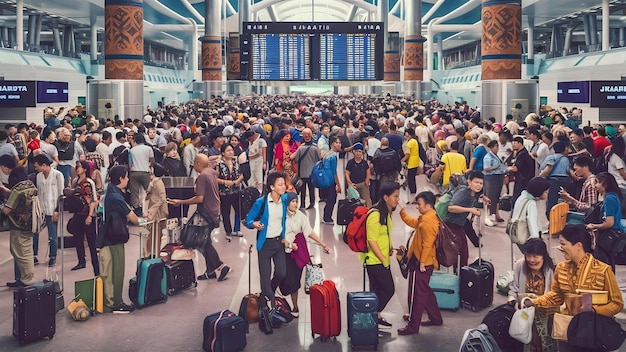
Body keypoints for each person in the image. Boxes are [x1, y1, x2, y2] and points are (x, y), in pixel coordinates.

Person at [530, 224, 624, 352]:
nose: (560, 248)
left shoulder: (603, 270)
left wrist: (595, 310)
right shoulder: (561, 268)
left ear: (578, 245)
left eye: (563, 244)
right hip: (567, 331)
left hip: (593, 333)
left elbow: (617, 303)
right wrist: (533, 302)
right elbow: (556, 296)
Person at [167, 154, 231, 282]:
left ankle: (220, 265)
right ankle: (210, 270)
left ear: (197, 163)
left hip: (205, 212)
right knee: (203, 241)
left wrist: (180, 201)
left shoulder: (202, 176)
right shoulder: (211, 172)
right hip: (214, 211)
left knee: (201, 241)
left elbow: (199, 198)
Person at [397, 191, 443, 336]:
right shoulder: (427, 216)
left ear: (428, 205)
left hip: (422, 262)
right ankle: (436, 318)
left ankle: (413, 325)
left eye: (419, 204)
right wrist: (403, 212)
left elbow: (428, 244)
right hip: (421, 260)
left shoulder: (429, 222)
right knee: (424, 291)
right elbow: (414, 223)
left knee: (417, 294)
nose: (417, 207)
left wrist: (422, 262)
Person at [279, 192, 330, 318]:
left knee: (295, 280)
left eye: (296, 201)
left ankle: (295, 306)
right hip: (284, 252)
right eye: (292, 201)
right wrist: (289, 244)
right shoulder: (280, 217)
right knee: (283, 277)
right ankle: (278, 294)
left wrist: (322, 243)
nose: (295, 204)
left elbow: (309, 232)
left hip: (298, 254)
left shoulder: (300, 216)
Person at [245, 171, 288, 311]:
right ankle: (266, 306)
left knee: (281, 272)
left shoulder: (285, 201)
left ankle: (269, 291)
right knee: (265, 276)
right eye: (280, 184)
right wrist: (254, 224)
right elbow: (249, 219)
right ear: (272, 187)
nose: (283, 187)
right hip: (265, 244)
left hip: (278, 243)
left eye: (284, 184)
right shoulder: (262, 202)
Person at [360, 181, 401, 329]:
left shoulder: (386, 213)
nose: (398, 199)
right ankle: (371, 313)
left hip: (382, 258)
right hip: (374, 260)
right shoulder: (375, 214)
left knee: (377, 290)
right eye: (395, 196)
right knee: (389, 289)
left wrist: (390, 248)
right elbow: (372, 240)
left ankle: (375, 316)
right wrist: (383, 259)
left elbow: (385, 234)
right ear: (385, 197)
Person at [508, 238, 557, 352]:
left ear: (543, 256)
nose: (531, 260)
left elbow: (556, 295)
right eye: (528, 256)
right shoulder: (520, 265)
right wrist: (514, 301)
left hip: (546, 316)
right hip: (525, 315)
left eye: (535, 256)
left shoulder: (553, 269)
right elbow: (513, 288)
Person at [443, 171, 490, 267]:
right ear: (469, 182)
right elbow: (451, 208)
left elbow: (477, 195)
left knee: (462, 251)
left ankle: (460, 272)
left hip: (460, 223)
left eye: (481, 183)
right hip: (450, 224)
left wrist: (483, 197)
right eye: (476, 182)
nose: (479, 185)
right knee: (462, 252)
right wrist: (470, 210)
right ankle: (460, 273)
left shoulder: (474, 192)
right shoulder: (464, 192)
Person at [2, 166, 37, 287]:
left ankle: (28, 280)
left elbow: (6, 210)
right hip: (31, 224)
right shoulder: (30, 185)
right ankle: (25, 278)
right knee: (26, 251)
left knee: (22, 253)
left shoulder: (17, 190)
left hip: (18, 226)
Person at [586, 172, 625, 271]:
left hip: (609, 235)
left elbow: (609, 222)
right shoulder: (614, 196)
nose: (595, 186)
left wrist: (594, 226)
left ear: (605, 184)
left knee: (603, 263)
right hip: (613, 235)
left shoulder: (609, 199)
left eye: (598, 183)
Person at [67, 160, 99, 275]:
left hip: (87, 214)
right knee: (78, 238)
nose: (77, 169)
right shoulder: (76, 181)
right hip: (78, 213)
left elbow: (91, 200)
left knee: (91, 241)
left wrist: (90, 216)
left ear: (85, 169)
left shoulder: (87, 182)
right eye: (77, 167)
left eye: (79, 167)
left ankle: (95, 264)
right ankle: (81, 260)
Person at [33, 154, 64, 267]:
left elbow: (61, 194)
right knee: (35, 231)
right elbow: (39, 192)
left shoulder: (57, 175)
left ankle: (52, 256)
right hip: (41, 210)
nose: (36, 168)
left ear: (44, 165)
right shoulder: (39, 176)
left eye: (37, 166)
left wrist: (57, 210)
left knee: (52, 234)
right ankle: (34, 254)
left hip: (53, 209)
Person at [289, 128, 320, 209]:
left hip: (302, 172)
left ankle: (302, 204)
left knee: (302, 190)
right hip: (312, 172)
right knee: (311, 189)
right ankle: (312, 203)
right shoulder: (315, 147)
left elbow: (295, 159)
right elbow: (319, 159)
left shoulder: (300, 148)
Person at [218, 143, 244, 240]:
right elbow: (215, 178)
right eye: (228, 150)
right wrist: (226, 182)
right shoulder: (219, 164)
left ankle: (237, 229)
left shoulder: (236, 162)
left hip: (236, 190)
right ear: (223, 153)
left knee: (238, 210)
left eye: (232, 150)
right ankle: (228, 231)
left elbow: (242, 174)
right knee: (226, 212)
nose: (230, 152)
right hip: (224, 192)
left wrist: (238, 180)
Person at [538, 141, 571, 217]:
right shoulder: (566, 159)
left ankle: (551, 218)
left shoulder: (550, 157)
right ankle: (561, 217)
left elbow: (542, 169)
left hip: (553, 181)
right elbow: (568, 170)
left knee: (552, 201)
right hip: (565, 181)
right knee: (563, 200)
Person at [128, 133, 154, 216]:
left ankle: (137, 210)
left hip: (134, 173)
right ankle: (148, 209)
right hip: (145, 172)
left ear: (135, 140)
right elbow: (152, 161)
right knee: (149, 191)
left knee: (134, 193)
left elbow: (130, 164)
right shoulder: (148, 149)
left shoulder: (132, 150)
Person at [144, 164, 168, 256]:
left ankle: (154, 253)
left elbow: (162, 198)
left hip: (157, 213)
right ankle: (150, 253)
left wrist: (152, 210)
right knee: (151, 234)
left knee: (156, 235)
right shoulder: (154, 181)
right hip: (154, 210)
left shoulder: (159, 183)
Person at [320, 135, 343, 224]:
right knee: (331, 199)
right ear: (333, 144)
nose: (340, 145)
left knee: (328, 199)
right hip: (330, 181)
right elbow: (334, 172)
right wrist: (338, 184)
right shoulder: (333, 156)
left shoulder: (327, 154)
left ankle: (325, 216)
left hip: (324, 180)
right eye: (338, 143)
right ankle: (327, 218)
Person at [482, 140, 507, 223]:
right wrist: (495, 167)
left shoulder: (496, 156)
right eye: (496, 146)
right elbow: (486, 168)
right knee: (490, 197)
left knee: (496, 197)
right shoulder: (488, 156)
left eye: (498, 146)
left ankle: (496, 214)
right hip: (491, 177)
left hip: (499, 176)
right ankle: (489, 216)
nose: (497, 148)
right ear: (492, 147)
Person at [508, 136, 535, 205]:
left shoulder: (522, 154)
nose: (513, 145)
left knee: (518, 198)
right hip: (522, 178)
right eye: (512, 143)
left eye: (515, 143)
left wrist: (506, 168)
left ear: (520, 143)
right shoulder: (520, 153)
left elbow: (516, 168)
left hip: (522, 179)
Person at [345, 142, 372, 207]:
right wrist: (350, 183)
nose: (358, 153)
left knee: (367, 201)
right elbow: (347, 173)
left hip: (363, 184)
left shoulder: (364, 163)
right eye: (356, 151)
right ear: (353, 152)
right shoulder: (350, 163)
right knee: (353, 202)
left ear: (362, 153)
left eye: (360, 151)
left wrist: (367, 180)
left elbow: (368, 172)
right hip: (354, 185)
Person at [401, 128, 421, 201]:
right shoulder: (415, 141)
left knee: (410, 180)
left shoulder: (409, 143)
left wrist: (401, 161)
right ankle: (413, 195)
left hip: (411, 163)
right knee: (412, 179)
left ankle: (412, 197)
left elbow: (407, 155)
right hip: (415, 162)